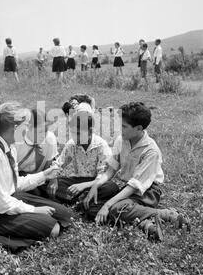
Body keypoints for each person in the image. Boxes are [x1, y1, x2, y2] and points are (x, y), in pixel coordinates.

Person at [0, 101, 72, 251]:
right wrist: (34, 210)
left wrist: (44, 175)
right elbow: (0, 203)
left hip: (7, 199)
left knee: (66, 215)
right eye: (26, 126)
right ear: (16, 128)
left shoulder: (10, 148)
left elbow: (15, 185)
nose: (28, 130)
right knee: (53, 228)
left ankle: (23, 229)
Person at [83, 102, 190, 241]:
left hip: (148, 191)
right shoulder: (122, 140)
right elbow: (111, 169)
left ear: (139, 128)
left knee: (115, 208)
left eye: (124, 126)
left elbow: (135, 186)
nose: (119, 129)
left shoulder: (151, 151)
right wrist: (96, 185)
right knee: (92, 206)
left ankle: (167, 214)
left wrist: (108, 205)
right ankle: (143, 222)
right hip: (129, 188)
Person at [48, 111, 112, 204]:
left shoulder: (101, 146)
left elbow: (103, 175)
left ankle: (77, 199)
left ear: (90, 131)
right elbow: (58, 164)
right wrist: (53, 179)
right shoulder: (72, 144)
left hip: (94, 182)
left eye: (78, 133)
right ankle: (83, 200)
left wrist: (84, 185)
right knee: (50, 183)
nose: (75, 137)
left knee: (110, 187)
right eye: (73, 133)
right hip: (75, 182)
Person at [15, 109, 58, 197]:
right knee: (35, 193)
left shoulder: (50, 138)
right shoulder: (16, 142)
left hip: (42, 175)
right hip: (21, 178)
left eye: (45, 131)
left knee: (62, 190)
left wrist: (54, 179)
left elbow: (51, 162)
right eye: (39, 131)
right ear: (28, 128)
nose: (43, 135)